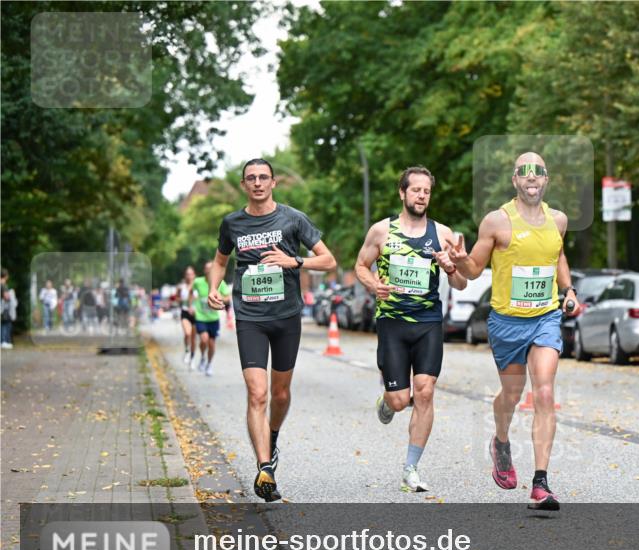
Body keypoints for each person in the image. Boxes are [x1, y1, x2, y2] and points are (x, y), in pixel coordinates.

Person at [449, 152, 581, 511]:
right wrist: (459, 260)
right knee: (511, 393)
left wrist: (568, 290)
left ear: (546, 179)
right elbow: (474, 269)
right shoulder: (497, 221)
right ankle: (501, 441)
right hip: (507, 322)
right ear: (515, 180)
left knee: (544, 391)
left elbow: (557, 256)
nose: (531, 177)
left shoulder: (558, 220)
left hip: (545, 318)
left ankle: (540, 484)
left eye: (538, 172)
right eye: (524, 172)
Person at [207, 158, 336, 502]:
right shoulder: (232, 223)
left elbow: (328, 260)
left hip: (286, 316)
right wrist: (214, 288)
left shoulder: (293, 219)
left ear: (273, 183)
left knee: (279, 394)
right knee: (257, 393)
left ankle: (272, 435)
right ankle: (265, 469)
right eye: (251, 178)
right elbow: (220, 261)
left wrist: (294, 261)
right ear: (244, 185)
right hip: (250, 317)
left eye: (263, 177)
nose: (258, 183)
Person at [354, 166, 467, 493]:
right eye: (416, 190)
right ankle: (388, 402)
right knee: (400, 399)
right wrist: (374, 285)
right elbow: (360, 266)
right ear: (402, 193)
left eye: (426, 191)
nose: (421, 196)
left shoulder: (443, 233)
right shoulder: (381, 231)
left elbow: (461, 283)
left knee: (426, 391)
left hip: (428, 321)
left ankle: (410, 469)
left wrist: (451, 269)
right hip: (392, 323)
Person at [192, 261, 231, 376]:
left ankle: (209, 364)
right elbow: (190, 292)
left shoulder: (220, 283)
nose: (209, 271)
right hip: (200, 317)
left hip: (213, 318)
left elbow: (228, 298)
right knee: (204, 339)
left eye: (211, 268)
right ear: (204, 270)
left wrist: (218, 299)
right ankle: (202, 357)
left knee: (212, 344)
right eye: (207, 268)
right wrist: (191, 305)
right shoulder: (197, 282)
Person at [178, 266, 197, 368]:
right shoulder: (181, 287)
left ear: (194, 275)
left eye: (191, 274)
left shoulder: (198, 285)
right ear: (185, 275)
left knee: (193, 338)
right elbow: (176, 298)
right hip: (185, 312)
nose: (189, 276)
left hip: (196, 314)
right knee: (187, 333)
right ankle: (187, 350)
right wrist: (181, 300)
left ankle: (192, 358)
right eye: (187, 274)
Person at [1, 269, 17, 349]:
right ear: (6, 276)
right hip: (4, 308)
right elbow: (6, 297)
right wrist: (11, 293)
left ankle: (4, 341)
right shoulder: (3, 285)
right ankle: (3, 341)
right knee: (5, 324)